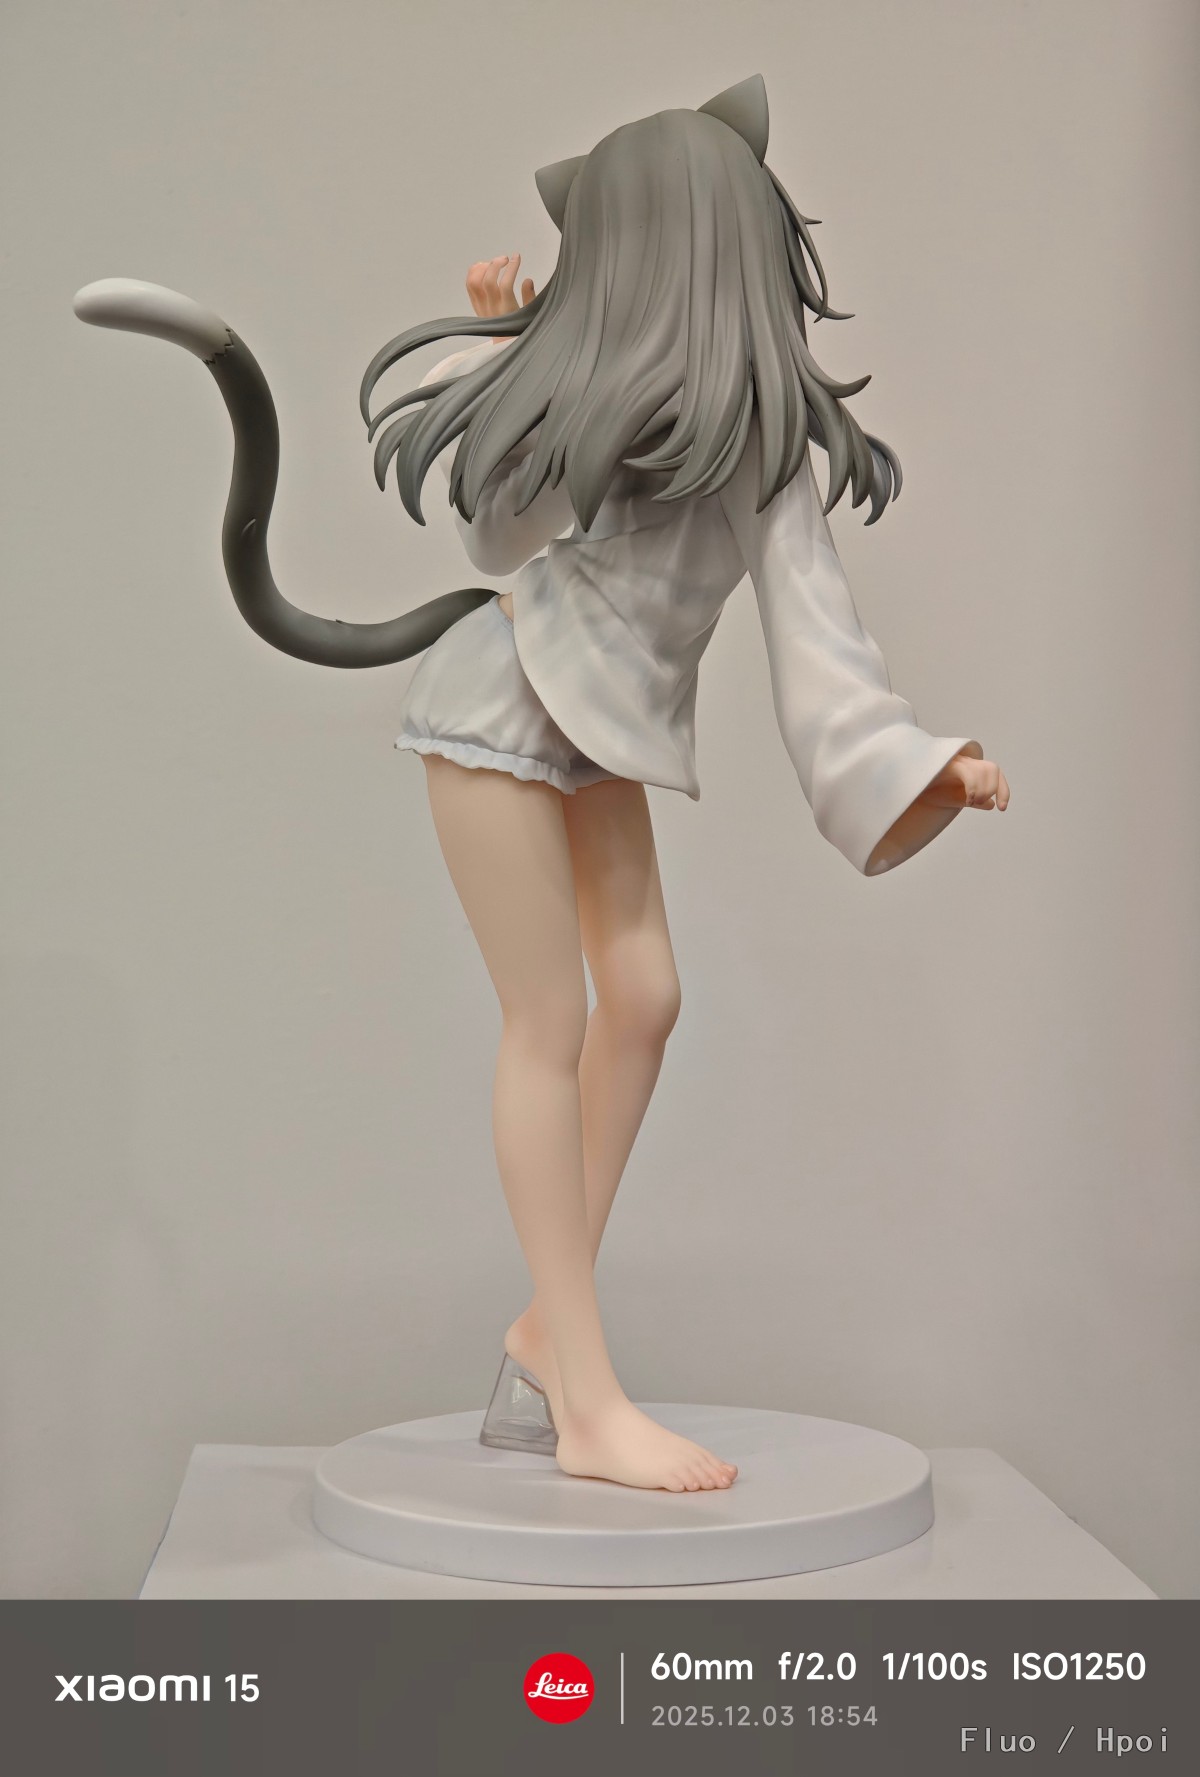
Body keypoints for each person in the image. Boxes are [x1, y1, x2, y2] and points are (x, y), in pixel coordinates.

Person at [362, 78, 1010, 1492]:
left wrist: (916, 762)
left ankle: (546, 1331)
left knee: (645, 999)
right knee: (550, 1017)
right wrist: (506, 358)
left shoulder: (761, 454)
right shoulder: (594, 412)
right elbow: (495, 540)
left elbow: (819, 638)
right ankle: (585, 1398)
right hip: (498, 709)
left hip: (600, 737)